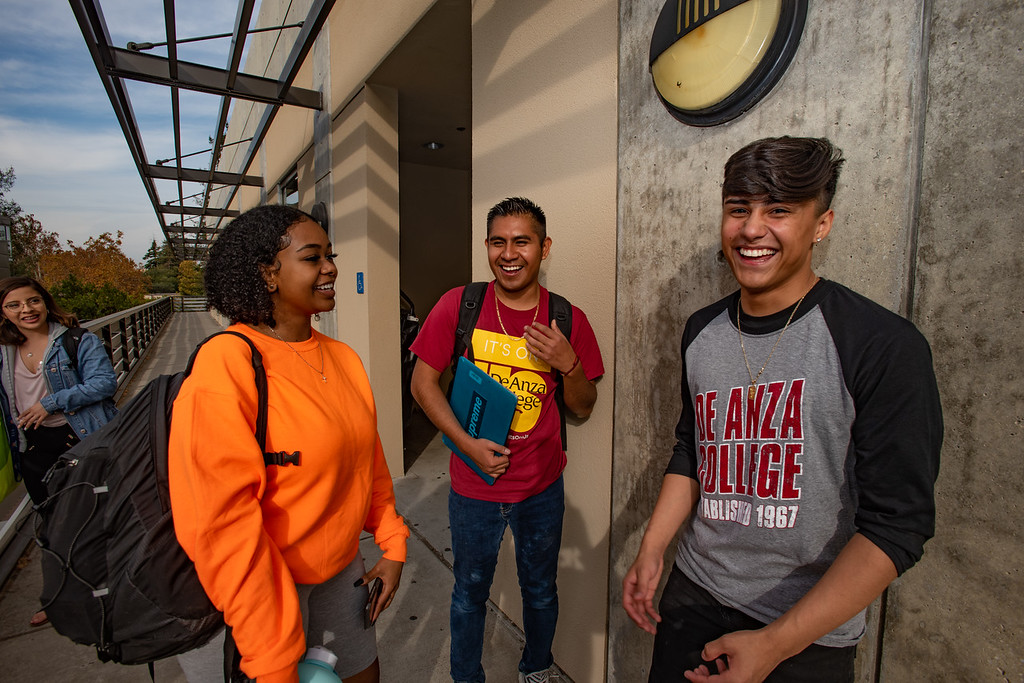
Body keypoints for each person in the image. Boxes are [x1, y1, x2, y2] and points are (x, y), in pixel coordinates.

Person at [622, 137, 943, 683]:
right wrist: (653, 548)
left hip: (806, 631)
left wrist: (775, 644)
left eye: (779, 210)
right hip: (695, 593)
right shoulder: (702, 331)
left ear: (822, 224)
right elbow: (692, 448)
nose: (752, 228)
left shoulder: (880, 344)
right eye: (739, 208)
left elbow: (897, 527)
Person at [169, 205, 409, 683]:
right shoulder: (227, 365)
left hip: (342, 572)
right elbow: (223, 526)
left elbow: (368, 464)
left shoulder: (343, 358)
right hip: (261, 587)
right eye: (312, 257)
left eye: (330, 255)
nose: (331, 268)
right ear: (267, 274)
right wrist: (274, 664)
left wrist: (393, 543)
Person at [410, 197, 605, 683]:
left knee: (540, 590)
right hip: (473, 488)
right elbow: (422, 384)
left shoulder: (567, 318)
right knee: (469, 592)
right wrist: (466, 445)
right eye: (499, 241)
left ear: (544, 247)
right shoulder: (460, 305)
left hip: (541, 489)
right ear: (487, 247)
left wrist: (568, 363)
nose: (509, 252)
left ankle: (536, 669)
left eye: (522, 240)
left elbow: (583, 405)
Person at [0, 276, 118, 628]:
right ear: (3, 312)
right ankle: (59, 600)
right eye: (14, 305)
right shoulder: (4, 349)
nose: (26, 310)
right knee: (52, 526)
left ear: (45, 302)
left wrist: (50, 403)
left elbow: (104, 383)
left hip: (81, 440)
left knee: (97, 519)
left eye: (32, 301)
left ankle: (113, 596)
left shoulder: (75, 340)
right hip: (32, 446)